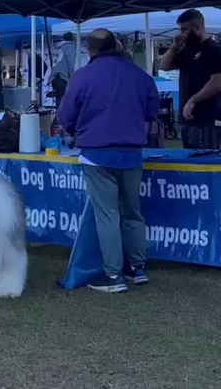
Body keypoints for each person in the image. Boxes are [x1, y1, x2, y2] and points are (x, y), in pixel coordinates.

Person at [58, 29, 159, 293]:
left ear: (89, 50)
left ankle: (113, 276)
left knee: (107, 215)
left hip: (96, 154)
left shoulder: (82, 77)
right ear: (115, 45)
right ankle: (138, 269)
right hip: (132, 153)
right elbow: (153, 112)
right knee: (133, 213)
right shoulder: (140, 76)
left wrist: (76, 131)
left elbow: (66, 115)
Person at [159, 9, 221, 149]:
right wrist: (173, 48)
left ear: (197, 27)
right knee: (189, 164)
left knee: (205, 163)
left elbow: (218, 82)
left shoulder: (214, 50)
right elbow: (164, 66)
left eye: (184, 29)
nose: (181, 33)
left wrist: (193, 100)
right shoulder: (186, 50)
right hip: (187, 120)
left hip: (205, 119)